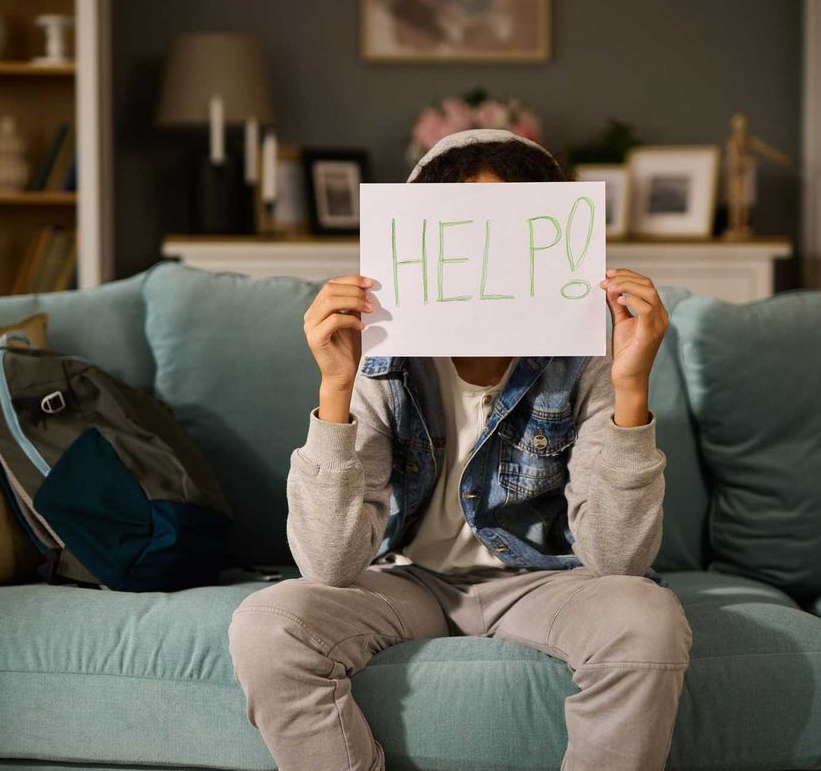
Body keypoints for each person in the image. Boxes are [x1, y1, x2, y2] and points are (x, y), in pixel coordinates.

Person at [228, 129, 692, 771]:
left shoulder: (586, 354)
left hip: (544, 581)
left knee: (648, 618)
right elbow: (328, 566)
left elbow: (618, 558)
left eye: (510, 230)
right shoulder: (382, 355)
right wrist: (337, 387)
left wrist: (631, 384)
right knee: (265, 622)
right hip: (407, 579)